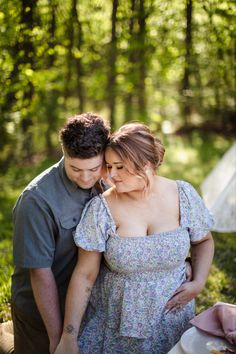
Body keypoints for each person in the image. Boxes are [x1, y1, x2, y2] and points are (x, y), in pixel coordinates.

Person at [55, 122, 215, 354]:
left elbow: (203, 241)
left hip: (172, 319)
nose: (110, 175)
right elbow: (85, 275)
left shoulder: (184, 195)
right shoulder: (101, 208)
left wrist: (198, 282)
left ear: (146, 164)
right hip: (115, 323)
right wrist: (68, 338)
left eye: (119, 167)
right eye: (109, 166)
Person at [3, 112, 110, 354]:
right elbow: (40, 274)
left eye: (93, 168)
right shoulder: (37, 200)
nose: (85, 177)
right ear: (63, 153)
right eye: (75, 168)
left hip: (91, 306)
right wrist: (56, 337)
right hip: (44, 311)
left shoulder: (110, 179)